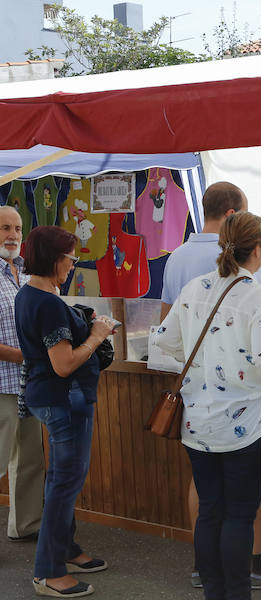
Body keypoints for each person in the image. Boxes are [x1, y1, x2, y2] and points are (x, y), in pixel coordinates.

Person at [160, 181, 261, 589]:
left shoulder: (194, 287)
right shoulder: (260, 296)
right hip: (246, 425)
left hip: (198, 421)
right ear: (256, 250)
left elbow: (163, 343)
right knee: (238, 515)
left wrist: (203, 362)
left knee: (210, 512)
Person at [15, 226, 116, 598]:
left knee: (60, 478)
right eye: (71, 258)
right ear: (55, 258)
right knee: (64, 484)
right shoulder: (46, 303)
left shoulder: (31, 294)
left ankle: (67, 550)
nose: (73, 265)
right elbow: (64, 363)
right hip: (64, 400)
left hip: (52, 399)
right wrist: (97, 335)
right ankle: (49, 571)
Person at [0, 207, 44, 545]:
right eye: (4, 228)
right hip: (1, 384)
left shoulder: (26, 273)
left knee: (30, 460)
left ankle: (25, 525)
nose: (12, 235)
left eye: (16, 228)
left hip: (28, 384)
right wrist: (21, 355)